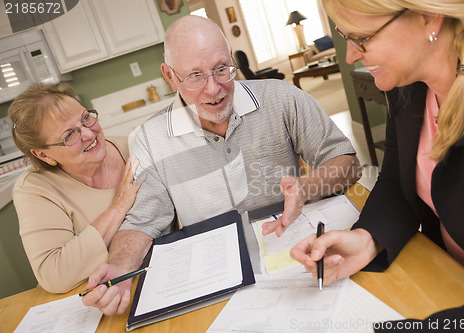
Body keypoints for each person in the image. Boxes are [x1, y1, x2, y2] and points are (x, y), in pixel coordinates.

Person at [82, 15, 361, 315]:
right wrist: (120, 269)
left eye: (221, 69)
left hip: (296, 258)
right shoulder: (151, 138)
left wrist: (307, 187)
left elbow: (347, 162)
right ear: (169, 76)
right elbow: (141, 222)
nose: (214, 88)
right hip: (213, 281)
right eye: (195, 75)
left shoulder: (282, 97)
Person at [291, 0, 464, 325]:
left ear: (429, 17)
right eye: (344, 37)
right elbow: (395, 182)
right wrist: (365, 239)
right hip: (448, 280)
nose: (350, 56)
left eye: (361, 38)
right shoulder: (408, 83)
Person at [8, 83, 144, 293]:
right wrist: (118, 207)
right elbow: (55, 275)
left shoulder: (134, 149)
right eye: (69, 135)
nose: (89, 134)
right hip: (89, 299)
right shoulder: (35, 189)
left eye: (86, 118)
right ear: (43, 155)